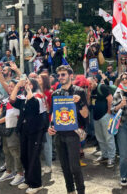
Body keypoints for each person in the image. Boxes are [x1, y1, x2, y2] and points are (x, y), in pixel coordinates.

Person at [48, 65, 87, 194]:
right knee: (64, 167)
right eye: (58, 75)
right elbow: (53, 114)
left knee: (75, 167)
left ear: (70, 75)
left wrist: (79, 102)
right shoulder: (55, 93)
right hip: (59, 135)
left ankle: (81, 191)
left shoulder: (79, 91)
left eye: (63, 74)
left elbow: (86, 115)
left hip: (73, 134)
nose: (60, 77)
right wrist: (50, 127)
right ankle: (70, 191)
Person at [10, 78, 48, 194]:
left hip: (35, 132)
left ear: (34, 85)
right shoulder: (23, 98)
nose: (27, 85)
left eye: (30, 83)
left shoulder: (38, 96)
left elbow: (34, 104)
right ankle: (28, 179)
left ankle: (37, 184)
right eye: (26, 84)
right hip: (24, 131)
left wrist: (27, 89)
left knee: (33, 157)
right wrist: (17, 86)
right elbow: (12, 100)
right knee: (25, 156)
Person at [0, 79, 25, 186]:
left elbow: (13, 114)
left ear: (18, 87)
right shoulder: (6, 99)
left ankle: (20, 173)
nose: (9, 88)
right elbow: (1, 110)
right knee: (6, 150)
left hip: (13, 128)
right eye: (9, 86)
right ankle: (9, 171)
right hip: (4, 129)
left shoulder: (20, 98)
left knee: (15, 151)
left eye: (12, 86)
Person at [88, 76, 115, 168]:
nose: (89, 86)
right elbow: (89, 103)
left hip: (104, 116)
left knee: (108, 138)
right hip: (96, 117)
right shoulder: (90, 90)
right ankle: (104, 155)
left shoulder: (102, 87)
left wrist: (108, 112)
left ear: (94, 81)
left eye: (90, 84)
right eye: (88, 85)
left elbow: (110, 98)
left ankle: (111, 157)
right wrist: (88, 92)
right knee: (100, 138)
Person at [37, 74, 53, 174]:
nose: (37, 79)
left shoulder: (50, 92)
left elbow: (52, 108)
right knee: (40, 144)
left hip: (47, 121)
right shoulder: (37, 92)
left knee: (47, 144)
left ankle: (49, 165)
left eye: (39, 78)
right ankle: (43, 165)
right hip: (39, 121)